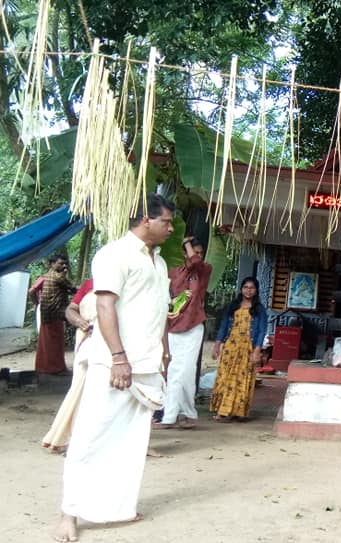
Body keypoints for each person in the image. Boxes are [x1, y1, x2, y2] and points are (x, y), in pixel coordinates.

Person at [53, 194, 175, 543]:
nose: (169, 228)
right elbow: (105, 308)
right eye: (165, 221)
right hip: (114, 362)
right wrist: (120, 358)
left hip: (147, 362)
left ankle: (117, 508)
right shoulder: (113, 254)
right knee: (90, 436)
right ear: (144, 220)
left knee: (130, 442)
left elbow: (158, 312)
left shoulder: (160, 262)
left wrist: (164, 354)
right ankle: (69, 514)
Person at [157, 236, 212, 430]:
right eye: (193, 251)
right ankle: (180, 414)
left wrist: (187, 242)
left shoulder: (204, 270)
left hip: (194, 325)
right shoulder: (172, 274)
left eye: (200, 252)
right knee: (173, 371)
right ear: (183, 254)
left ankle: (177, 415)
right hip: (173, 326)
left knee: (186, 371)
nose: (197, 256)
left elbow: (196, 263)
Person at [42, 279, 96, 452]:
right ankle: (76, 437)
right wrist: (81, 322)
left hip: (112, 340)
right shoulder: (90, 284)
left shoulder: (128, 283)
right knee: (81, 387)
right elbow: (71, 309)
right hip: (88, 336)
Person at [209, 277, 267, 422]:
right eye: (246, 287)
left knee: (241, 378)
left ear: (256, 290)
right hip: (231, 347)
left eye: (252, 288)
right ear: (241, 289)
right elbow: (223, 327)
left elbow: (261, 331)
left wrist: (257, 350)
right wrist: (217, 345)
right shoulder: (232, 306)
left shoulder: (259, 309)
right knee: (226, 377)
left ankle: (235, 411)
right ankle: (223, 411)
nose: (248, 290)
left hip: (248, 348)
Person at [32, 253, 74, 375]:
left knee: (45, 341)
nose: (64, 266)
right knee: (56, 342)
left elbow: (31, 290)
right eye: (61, 263)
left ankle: (42, 367)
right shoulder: (59, 277)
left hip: (45, 313)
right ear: (52, 264)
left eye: (65, 264)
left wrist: (36, 304)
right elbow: (73, 289)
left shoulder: (44, 277)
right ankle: (57, 368)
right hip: (56, 314)